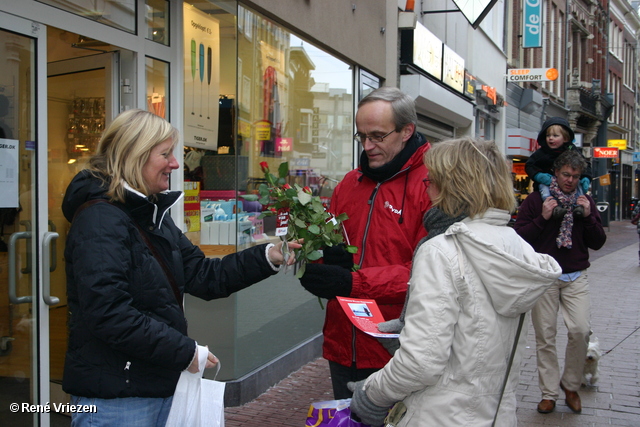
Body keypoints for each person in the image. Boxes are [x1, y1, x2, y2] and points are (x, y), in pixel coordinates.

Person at [61, 109, 300, 426]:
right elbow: (109, 314)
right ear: (136, 155)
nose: (175, 164)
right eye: (165, 154)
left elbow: (203, 276)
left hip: (152, 385)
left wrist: (268, 255)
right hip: (117, 401)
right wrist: (185, 352)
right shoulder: (101, 220)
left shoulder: (148, 215)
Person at [347, 137, 562, 427]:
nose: (426, 187)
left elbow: (420, 363)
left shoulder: (441, 251)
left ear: (454, 187)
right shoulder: (517, 247)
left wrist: (371, 394)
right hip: (494, 413)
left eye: (432, 180)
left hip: (439, 414)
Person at [298, 87, 432, 399]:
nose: (367, 146)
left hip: (398, 349)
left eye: (377, 136)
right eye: (361, 136)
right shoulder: (349, 183)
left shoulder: (432, 185)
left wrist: (353, 282)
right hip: (343, 345)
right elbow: (323, 239)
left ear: (406, 131)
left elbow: (426, 272)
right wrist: (321, 261)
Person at [514, 149, 606, 414]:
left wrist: (588, 217)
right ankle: (549, 394)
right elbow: (520, 239)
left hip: (576, 274)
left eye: (575, 176)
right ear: (556, 172)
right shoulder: (536, 199)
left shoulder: (584, 199)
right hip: (545, 276)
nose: (570, 180)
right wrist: (542, 218)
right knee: (545, 336)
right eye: (566, 174)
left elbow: (598, 242)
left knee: (580, 330)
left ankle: (571, 385)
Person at [525, 117, 592, 218]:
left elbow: (585, 165)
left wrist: (586, 178)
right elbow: (529, 165)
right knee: (544, 188)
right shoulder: (542, 152)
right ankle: (554, 207)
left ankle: (578, 206)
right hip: (548, 182)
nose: (550, 138)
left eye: (555, 135)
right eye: (548, 135)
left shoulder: (572, 150)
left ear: (565, 138)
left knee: (578, 185)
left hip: (570, 190)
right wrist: (538, 176)